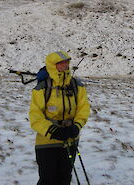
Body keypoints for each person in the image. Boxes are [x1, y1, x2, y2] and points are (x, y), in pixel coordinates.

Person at [29, 50, 90, 185]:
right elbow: (35, 117)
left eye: (66, 62)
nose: (65, 65)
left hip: (70, 138)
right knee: (48, 179)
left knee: (64, 177)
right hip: (46, 141)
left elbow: (83, 109)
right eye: (60, 63)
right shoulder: (42, 88)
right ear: (52, 65)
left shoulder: (77, 86)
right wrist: (53, 131)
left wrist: (76, 126)